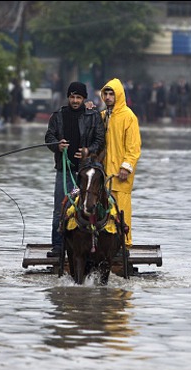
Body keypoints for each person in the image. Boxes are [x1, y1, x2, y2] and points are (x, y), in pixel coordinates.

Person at [45, 81, 106, 257]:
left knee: (89, 206)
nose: (75, 100)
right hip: (64, 169)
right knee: (60, 208)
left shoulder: (93, 116)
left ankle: (92, 242)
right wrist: (58, 145)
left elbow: (100, 140)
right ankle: (58, 246)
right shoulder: (58, 116)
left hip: (87, 171)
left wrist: (88, 151)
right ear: (68, 98)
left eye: (79, 97)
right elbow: (49, 136)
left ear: (84, 98)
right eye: (72, 97)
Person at [99, 78, 142, 249]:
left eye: (111, 94)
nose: (108, 97)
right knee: (105, 213)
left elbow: (134, 147)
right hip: (104, 174)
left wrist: (126, 167)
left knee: (121, 212)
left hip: (120, 175)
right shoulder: (103, 116)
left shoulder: (129, 117)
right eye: (106, 94)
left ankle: (124, 245)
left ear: (119, 95)